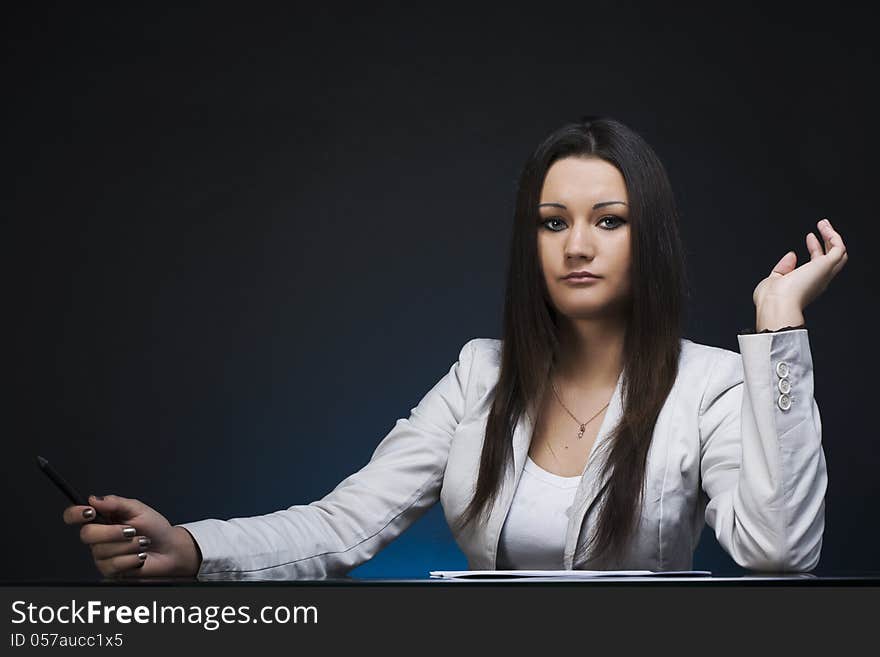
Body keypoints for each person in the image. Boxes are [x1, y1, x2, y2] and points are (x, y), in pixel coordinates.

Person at [62, 116, 848, 579]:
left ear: (652, 239)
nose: (576, 244)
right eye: (552, 221)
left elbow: (781, 550)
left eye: (608, 219)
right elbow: (342, 523)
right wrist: (193, 548)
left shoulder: (708, 383)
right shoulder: (481, 373)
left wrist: (778, 323)